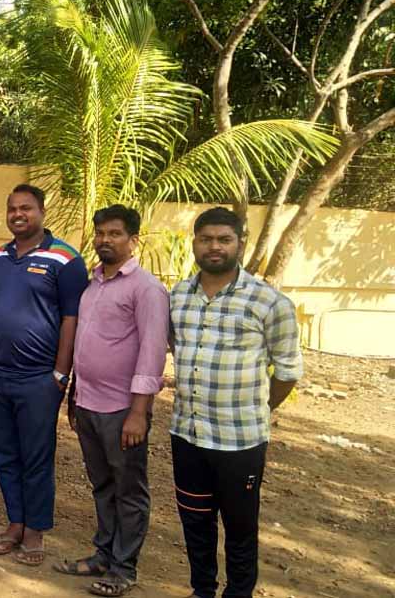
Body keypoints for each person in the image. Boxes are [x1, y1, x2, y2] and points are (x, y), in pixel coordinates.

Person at [170, 207, 302, 598]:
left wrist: (259, 409)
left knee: (240, 528)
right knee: (196, 523)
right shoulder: (178, 297)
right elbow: (173, 347)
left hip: (240, 442)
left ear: (240, 244)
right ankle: (202, 590)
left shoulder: (269, 303)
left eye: (224, 239)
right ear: (195, 243)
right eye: (206, 239)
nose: (214, 246)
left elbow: (287, 372)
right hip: (188, 435)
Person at [56, 205, 168, 597]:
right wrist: (74, 397)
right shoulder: (93, 285)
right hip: (88, 404)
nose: (106, 239)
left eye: (115, 233)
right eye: (101, 233)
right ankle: (103, 555)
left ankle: (124, 569)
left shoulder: (146, 289)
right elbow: (84, 346)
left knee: (129, 490)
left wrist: (139, 412)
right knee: (102, 485)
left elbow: (152, 352)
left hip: (123, 410)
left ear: (133, 240)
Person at [0, 183, 87, 565]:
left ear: (42, 211)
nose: (18, 214)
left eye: (26, 208)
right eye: (12, 208)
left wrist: (60, 374)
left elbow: (72, 318)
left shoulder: (65, 259)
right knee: (4, 453)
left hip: (39, 379)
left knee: (36, 456)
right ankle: (15, 523)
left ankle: (35, 531)